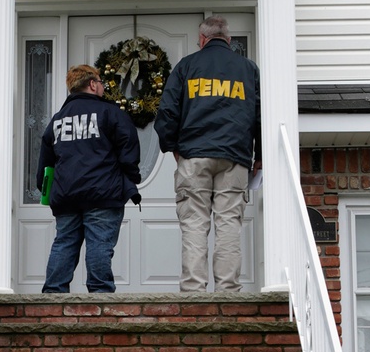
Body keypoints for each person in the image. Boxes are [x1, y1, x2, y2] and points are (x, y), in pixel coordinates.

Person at [153, 15, 261, 293]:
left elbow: (166, 112)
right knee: (228, 225)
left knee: (194, 223)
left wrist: (173, 148)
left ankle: (193, 292)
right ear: (228, 39)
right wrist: (258, 155)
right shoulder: (248, 69)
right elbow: (261, 114)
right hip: (235, 157)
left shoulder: (187, 66)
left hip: (194, 155)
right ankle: (228, 293)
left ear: (202, 40)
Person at [37, 63, 141, 294]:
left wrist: (46, 189)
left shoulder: (56, 120)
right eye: (101, 83)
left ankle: (53, 296)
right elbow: (129, 148)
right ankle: (100, 295)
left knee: (64, 243)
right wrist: (131, 177)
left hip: (66, 195)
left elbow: (46, 162)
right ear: (93, 84)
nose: (102, 87)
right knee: (99, 244)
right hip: (103, 193)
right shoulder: (111, 113)